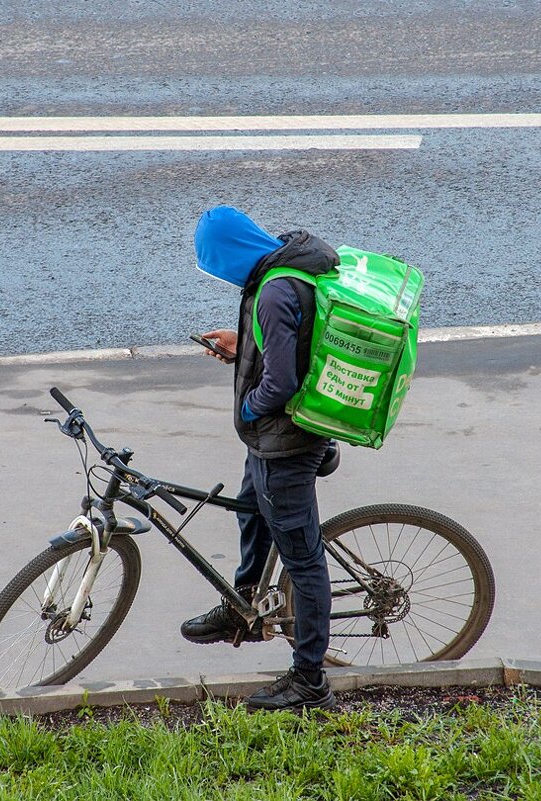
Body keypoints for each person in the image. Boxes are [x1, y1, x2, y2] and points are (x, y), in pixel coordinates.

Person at [180, 205, 340, 711]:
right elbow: (287, 347)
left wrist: (249, 408)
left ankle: (309, 680)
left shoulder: (273, 291)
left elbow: (281, 382)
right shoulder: (281, 268)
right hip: (269, 443)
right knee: (252, 513)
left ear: (229, 254)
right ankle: (241, 605)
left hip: (285, 445)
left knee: (303, 561)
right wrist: (239, 344)